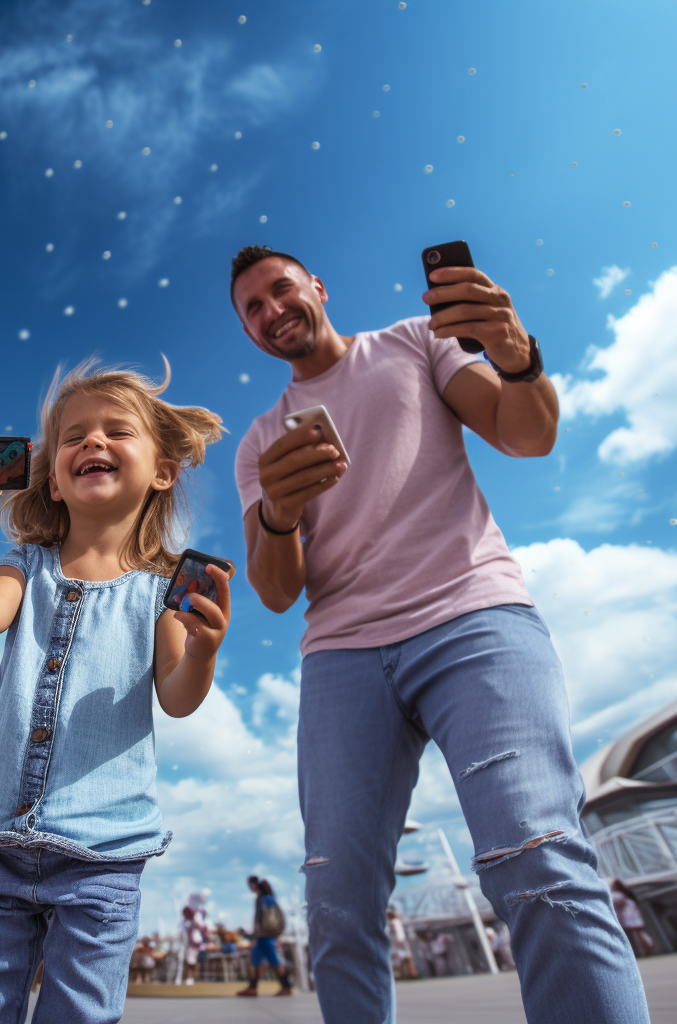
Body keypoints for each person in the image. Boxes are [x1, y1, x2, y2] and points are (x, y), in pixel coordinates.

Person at [231, 245, 651, 1023]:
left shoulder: (414, 342)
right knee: (337, 897)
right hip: (342, 654)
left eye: (279, 290)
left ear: (318, 287)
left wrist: (519, 362)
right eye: (251, 309)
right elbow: (277, 590)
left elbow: (526, 436)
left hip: (472, 615)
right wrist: (281, 518)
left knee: (538, 851)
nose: (270, 311)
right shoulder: (260, 442)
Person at [0, 359, 231, 1024]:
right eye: (72, 437)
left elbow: (178, 696)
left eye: (115, 431)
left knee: (81, 1014)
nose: (91, 443)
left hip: (104, 854)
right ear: (52, 479)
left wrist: (205, 651)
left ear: (161, 470)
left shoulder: (167, 589)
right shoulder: (27, 565)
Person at [237, 876, 294, 997]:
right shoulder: (270, 898)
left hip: (264, 937)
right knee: (256, 961)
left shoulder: (260, 899)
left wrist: (255, 935)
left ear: (254, 884)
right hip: (267, 937)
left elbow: (258, 920)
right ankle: (253, 988)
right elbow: (279, 917)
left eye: (250, 885)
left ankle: (286, 987)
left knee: (274, 961)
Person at [611, 879, 655, 957]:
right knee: (640, 935)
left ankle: (640, 951)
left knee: (633, 938)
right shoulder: (627, 895)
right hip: (635, 919)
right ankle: (647, 948)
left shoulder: (618, 895)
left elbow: (612, 902)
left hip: (627, 921)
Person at [387, 908, 417, 980]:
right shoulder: (396, 922)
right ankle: (407, 974)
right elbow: (399, 934)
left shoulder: (391, 922)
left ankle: (404, 974)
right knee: (405, 960)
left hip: (395, 944)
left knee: (399, 961)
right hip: (399, 944)